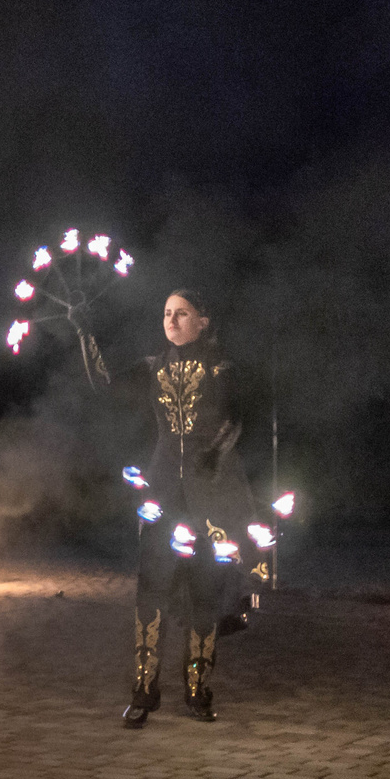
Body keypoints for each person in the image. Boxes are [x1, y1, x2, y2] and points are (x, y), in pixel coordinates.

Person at [124, 288, 267, 727]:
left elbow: (238, 419)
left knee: (204, 594)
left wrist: (214, 454)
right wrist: (82, 327)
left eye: (181, 313)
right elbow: (100, 380)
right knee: (150, 592)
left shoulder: (222, 368)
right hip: (164, 495)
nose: (171, 320)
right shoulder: (153, 367)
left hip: (210, 498)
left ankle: (197, 690)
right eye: (166, 313)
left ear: (202, 320)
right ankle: (144, 692)